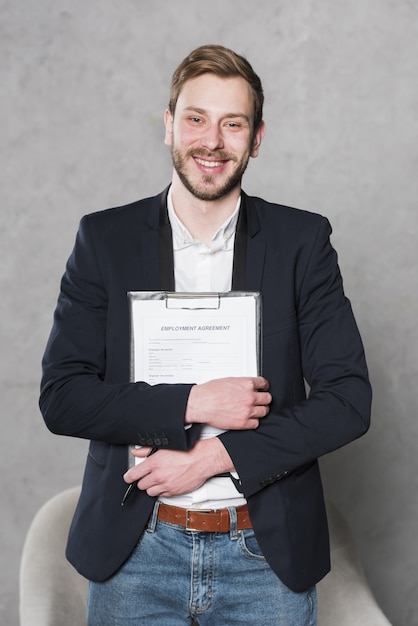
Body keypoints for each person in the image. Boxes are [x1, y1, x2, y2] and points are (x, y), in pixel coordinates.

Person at [40, 44, 372, 626]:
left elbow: (348, 402)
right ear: (169, 124)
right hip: (136, 550)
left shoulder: (302, 243)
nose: (211, 140)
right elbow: (62, 396)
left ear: (257, 136)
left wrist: (214, 455)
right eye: (196, 118)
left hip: (264, 557)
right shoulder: (105, 239)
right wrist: (193, 402)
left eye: (232, 123)